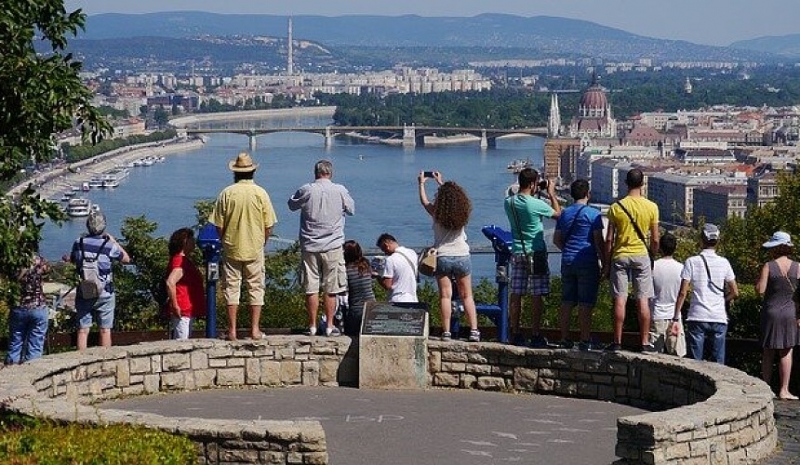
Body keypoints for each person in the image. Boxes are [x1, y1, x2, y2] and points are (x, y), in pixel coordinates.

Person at [209, 151, 277, 341]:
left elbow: (218, 225)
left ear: (235, 173)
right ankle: (255, 329)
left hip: (231, 246)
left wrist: (225, 240)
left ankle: (232, 330)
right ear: (253, 172)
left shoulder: (226, 193)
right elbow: (269, 225)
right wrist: (262, 242)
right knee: (256, 287)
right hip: (255, 247)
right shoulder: (261, 193)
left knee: (231, 288)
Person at [288, 159, 355, 337]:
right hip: (333, 245)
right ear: (331, 173)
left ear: (315, 172)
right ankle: (330, 325)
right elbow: (351, 210)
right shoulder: (340, 190)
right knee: (331, 288)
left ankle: (311, 325)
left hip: (310, 245)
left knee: (311, 287)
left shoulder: (306, 189)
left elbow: (291, 205)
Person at [419, 171, 480, 342]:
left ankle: (446, 332)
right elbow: (452, 196)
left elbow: (424, 202)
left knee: (445, 296)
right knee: (467, 295)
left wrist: (421, 183)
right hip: (462, 255)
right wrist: (441, 182)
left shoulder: (437, 213)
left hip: (443, 256)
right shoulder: (462, 213)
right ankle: (474, 330)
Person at [504, 167, 561, 347]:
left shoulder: (509, 202)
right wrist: (551, 193)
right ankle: (535, 334)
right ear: (532, 184)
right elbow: (558, 214)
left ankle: (515, 332)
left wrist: (535, 189)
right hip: (536, 252)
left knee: (516, 293)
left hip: (517, 251)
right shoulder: (536, 204)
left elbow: (520, 198)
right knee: (537, 294)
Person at [604, 168, 659, 352]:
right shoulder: (651, 207)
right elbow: (655, 239)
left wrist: (606, 262)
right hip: (641, 254)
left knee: (620, 299)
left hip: (620, 254)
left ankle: (617, 341)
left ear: (626, 183)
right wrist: (653, 254)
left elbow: (609, 239)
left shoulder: (616, 207)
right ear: (642, 184)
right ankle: (644, 342)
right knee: (643, 300)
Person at [672, 224, 738, 364]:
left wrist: (676, 317)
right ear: (717, 241)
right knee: (718, 363)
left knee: (695, 363)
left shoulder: (691, 262)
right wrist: (723, 301)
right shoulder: (724, 263)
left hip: (697, 314)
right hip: (718, 316)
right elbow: (735, 292)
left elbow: (683, 292)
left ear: (701, 239)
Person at [552, 179, 604, 350]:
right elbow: (598, 241)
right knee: (585, 302)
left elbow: (556, 240)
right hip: (587, 261)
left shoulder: (564, 214)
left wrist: (567, 250)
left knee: (567, 301)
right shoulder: (594, 214)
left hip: (567, 260)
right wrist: (605, 262)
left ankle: (564, 338)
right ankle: (585, 340)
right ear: (588, 194)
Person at [69, 211, 130, 351]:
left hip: (85, 291)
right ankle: (105, 359)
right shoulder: (109, 246)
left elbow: (73, 259)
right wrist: (114, 241)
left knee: (83, 330)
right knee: (105, 329)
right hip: (105, 292)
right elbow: (126, 259)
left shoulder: (79, 243)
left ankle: (81, 360)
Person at [756, 231, 800, 400]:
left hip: (771, 312)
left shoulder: (768, 266)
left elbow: (760, 290)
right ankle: (784, 389)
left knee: (768, 351)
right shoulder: (798, 267)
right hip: (790, 313)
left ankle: (766, 387)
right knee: (786, 351)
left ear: (775, 248)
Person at [5, 254, 50, 364]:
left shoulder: (13, 260)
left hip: (19, 306)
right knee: (35, 344)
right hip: (38, 306)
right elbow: (47, 270)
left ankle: (11, 368)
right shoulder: (39, 260)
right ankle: (32, 368)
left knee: (15, 342)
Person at [165, 228, 206, 340]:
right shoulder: (180, 261)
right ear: (184, 242)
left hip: (187, 309)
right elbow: (170, 282)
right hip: (183, 308)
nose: (194, 241)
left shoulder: (184, 261)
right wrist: (175, 305)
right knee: (182, 341)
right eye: (191, 239)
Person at [649, 232, 686, 356]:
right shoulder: (681, 268)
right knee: (678, 356)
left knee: (652, 358)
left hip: (656, 314)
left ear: (660, 247)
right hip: (675, 315)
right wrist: (676, 317)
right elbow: (682, 293)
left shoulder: (653, 267)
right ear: (675, 248)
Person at [343, 240, 376, 336]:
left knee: (351, 335)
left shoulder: (346, 270)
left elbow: (343, 289)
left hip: (356, 308)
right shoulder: (366, 265)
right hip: (372, 305)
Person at [376, 233, 418, 303]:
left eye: (384, 250)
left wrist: (377, 276)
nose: (385, 253)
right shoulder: (412, 253)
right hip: (413, 299)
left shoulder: (390, 259)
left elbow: (388, 285)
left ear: (386, 246)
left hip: (397, 299)